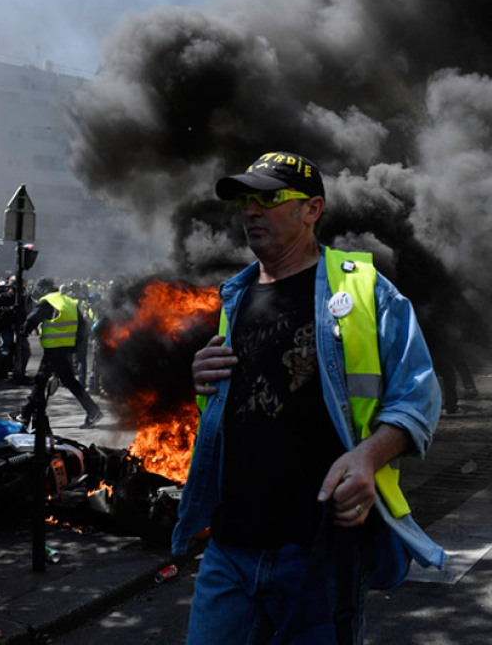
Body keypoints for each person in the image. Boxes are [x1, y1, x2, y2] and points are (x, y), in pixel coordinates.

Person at [173, 151, 446, 644]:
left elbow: (419, 398)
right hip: (230, 546)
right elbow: (243, 408)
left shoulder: (365, 291)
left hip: (318, 551)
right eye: (246, 201)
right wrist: (202, 382)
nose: (251, 211)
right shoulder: (234, 297)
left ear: (312, 209)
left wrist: (367, 457)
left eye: (270, 198)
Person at [12, 278, 103, 428]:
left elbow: (32, 319)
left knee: (45, 382)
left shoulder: (48, 301)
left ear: (43, 289)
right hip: (64, 348)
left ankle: (25, 415)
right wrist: (75, 345)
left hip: (53, 349)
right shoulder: (69, 301)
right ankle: (26, 414)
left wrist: (22, 333)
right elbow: (82, 326)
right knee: (57, 382)